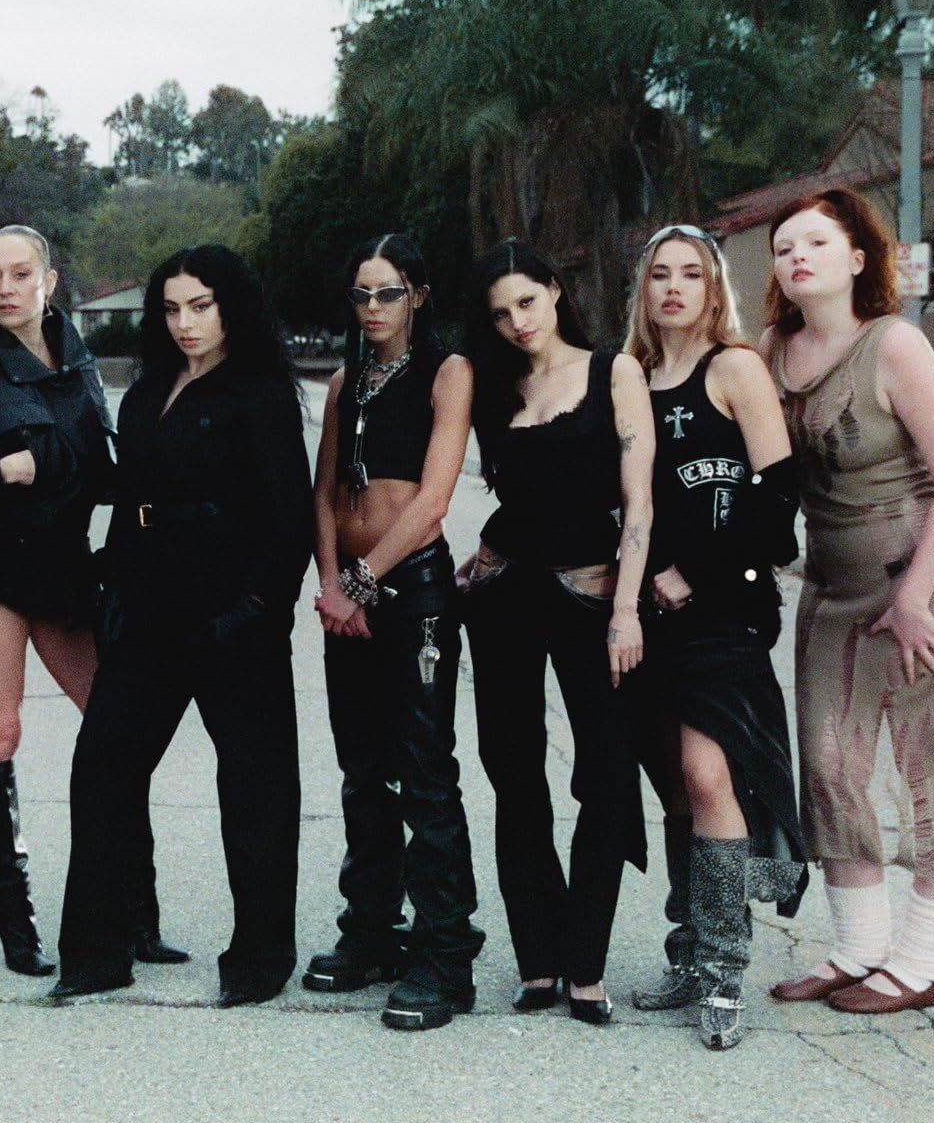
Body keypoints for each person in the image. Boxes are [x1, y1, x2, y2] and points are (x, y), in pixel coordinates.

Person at [760, 189, 934, 1015]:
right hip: (831, 590)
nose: (798, 257)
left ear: (858, 258)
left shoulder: (894, 344)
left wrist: (913, 598)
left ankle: (925, 963)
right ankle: (858, 949)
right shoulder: (771, 352)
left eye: (816, 242)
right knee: (831, 764)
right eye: (784, 247)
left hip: (926, 587)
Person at [51, 245, 313, 1008]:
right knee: (103, 767)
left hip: (234, 617)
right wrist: (111, 584)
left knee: (257, 789)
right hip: (147, 613)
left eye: (201, 306)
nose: (185, 322)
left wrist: (255, 610)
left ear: (232, 307)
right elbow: (133, 495)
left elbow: (290, 521)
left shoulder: (261, 394)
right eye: (171, 309)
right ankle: (98, 953)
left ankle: (260, 960)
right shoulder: (147, 389)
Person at [0, 226, 182, 978]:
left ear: (49, 281)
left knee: (117, 727)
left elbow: (98, 466)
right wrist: (1, 472)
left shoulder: (80, 362)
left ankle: (135, 914)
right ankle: (18, 925)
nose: (5, 289)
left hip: (62, 567)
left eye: (20, 274)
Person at [620, 225, 809, 1049]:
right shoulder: (631, 378)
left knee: (707, 775)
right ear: (643, 289)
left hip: (723, 609)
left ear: (713, 287)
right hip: (645, 615)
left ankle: (727, 967)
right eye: (660, 274)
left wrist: (691, 573)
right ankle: (690, 952)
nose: (674, 288)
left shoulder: (733, 369)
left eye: (691, 274)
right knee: (675, 786)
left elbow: (778, 506)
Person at [460, 239, 655, 1026]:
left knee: (606, 772)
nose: (516, 322)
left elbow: (639, 502)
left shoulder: (614, 372)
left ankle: (586, 963)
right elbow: (511, 497)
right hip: (505, 591)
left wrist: (627, 610)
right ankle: (538, 960)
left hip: (591, 593)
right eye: (500, 313)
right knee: (513, 771)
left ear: (554, 292)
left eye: (527, 302)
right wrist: (481, 557)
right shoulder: (495, 386)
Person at [305, 234, 483, 1031]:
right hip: (347, 597)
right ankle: (372, 930)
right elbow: (323, 493)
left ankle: (445, 955)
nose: (372, 308)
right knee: (362, 769)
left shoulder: (449, 373)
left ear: (418, 295)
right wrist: (331, 583)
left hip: (412, 593)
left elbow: (433, 502)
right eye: (361, 294)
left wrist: (363, 581)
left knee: (424, 769)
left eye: (388, 292)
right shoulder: (346, 379)